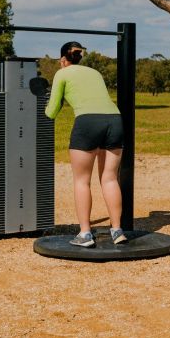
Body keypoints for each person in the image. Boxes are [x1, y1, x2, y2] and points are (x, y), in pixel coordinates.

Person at [44, 41, 126, 247]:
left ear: (63, 59)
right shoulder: (95, 72)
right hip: (115, 120)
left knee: (82, 181)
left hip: (88, 122)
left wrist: (45, 101)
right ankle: (117, 231)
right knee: (109, 179)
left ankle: (85, 234)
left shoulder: (61, 73)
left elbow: (52, 111)